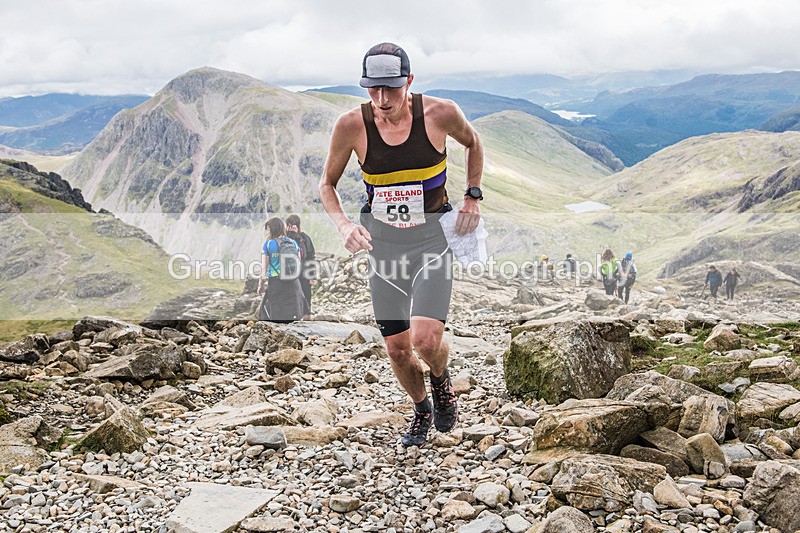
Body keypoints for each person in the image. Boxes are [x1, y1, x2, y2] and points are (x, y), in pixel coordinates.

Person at [319, 42, 483, 447]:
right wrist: (343, 227)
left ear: (409, 81)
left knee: (425, 340)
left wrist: (471, 196)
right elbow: (327, 185)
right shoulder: (351, 126)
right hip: (384, 246)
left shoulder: (440, 114)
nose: (381, 99)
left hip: (431, 240)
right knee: (395, 349)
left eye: (391, 88)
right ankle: (422, 408)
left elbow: (474, 143)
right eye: (372, 89)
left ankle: (442, 380)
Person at [257, 218, 305, 323]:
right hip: (293, 283)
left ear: (272, 229)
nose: (267, 232)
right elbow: (298, 263)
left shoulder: (269, 244)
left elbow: (264, 267)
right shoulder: (293, 243)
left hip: (276, 283)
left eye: (268, 229)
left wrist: (261, 284)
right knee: (293, 316)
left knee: (274, 317)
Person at [285, 214, 316, 316]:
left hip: (304, 272)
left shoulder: (305, 238)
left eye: (293, 225)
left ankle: (307, 318)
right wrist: (290, 235)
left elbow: (311, 257)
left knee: (306, 297)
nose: (291, 227)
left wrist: (312, 275)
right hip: (289, 274)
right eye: (289, 225)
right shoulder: (284, 238)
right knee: (291, 297)